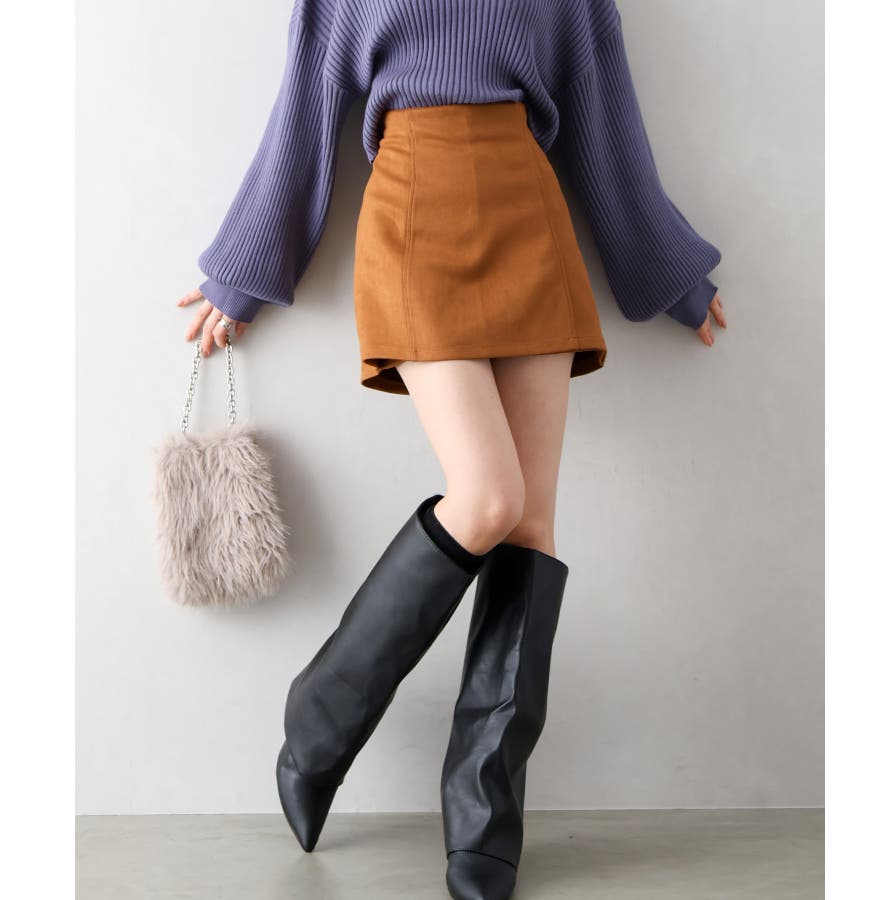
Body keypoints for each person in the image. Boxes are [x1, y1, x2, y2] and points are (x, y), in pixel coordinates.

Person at [176, 2, 726, 897]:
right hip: (411, 212)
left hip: (530, 214)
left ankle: (483, 815)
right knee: (488, 499)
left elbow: (602, 116)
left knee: (530, 525)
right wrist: (241, 273)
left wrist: (670, 274)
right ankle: (321, 715)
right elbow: (306, 113)